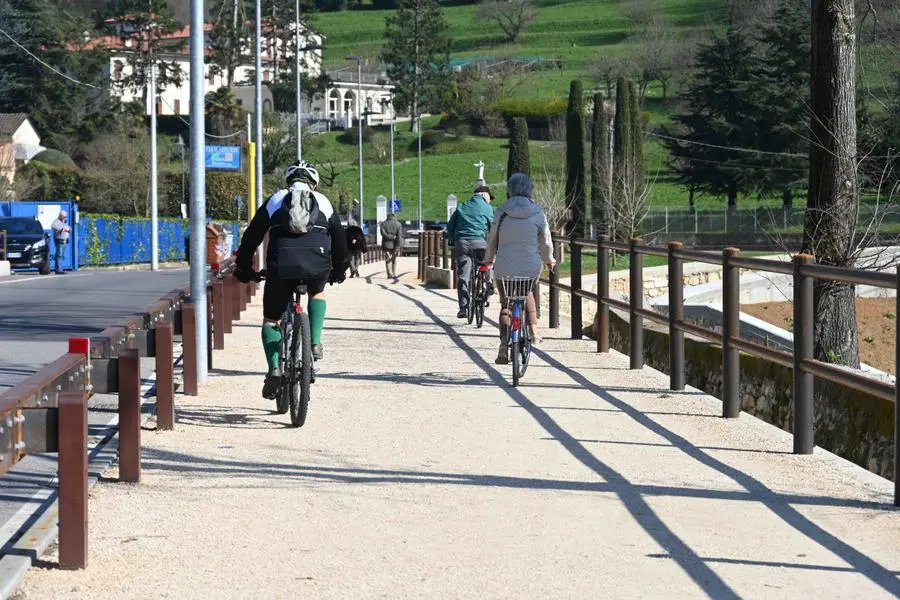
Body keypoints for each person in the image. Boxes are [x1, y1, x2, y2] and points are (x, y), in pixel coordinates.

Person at [234, 160, 349, 399]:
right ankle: (315, 342)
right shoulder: (324, 202)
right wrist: (339, 270)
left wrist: (244, 268)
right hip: (317, 264)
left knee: (271, 319)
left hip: (281, 266)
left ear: (289, 181)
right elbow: (340, 240)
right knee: (317, 293)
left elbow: (252, 235)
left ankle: (274, 368)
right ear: (313, 183)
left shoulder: (276, 199)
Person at [483, 173, 555, 365]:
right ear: (530, 189)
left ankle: (503, 347)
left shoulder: (501, 211)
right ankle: (533, 331)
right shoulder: (538, 212)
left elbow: (492, 239)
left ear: (510, 190)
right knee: (526, 292)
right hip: (530, 266)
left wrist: (489, 259)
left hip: (504, 266)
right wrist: (550, 260)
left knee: (506, 304)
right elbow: (545, 242)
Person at [447, 185, 494, 318]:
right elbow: (493, 228)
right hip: (480, 243)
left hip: (462, 244)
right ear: (485, 195)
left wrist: (451, 240)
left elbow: (450, 226)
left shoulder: (461, 207)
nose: (490, 200)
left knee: (463, 276)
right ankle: (486, 284)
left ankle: (463, 307)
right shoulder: (488, 208)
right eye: (490, 198)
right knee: (487, 262)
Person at [379, 212, 403, 281]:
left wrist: (390, 237)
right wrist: (397, 246)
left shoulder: (383, 224)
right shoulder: (398, 224)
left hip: (386, 244)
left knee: (387, 259)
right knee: (394, 259)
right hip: (395, 244)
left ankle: (389, 274)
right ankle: (394, 273)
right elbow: (399, 236)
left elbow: (382, 233)